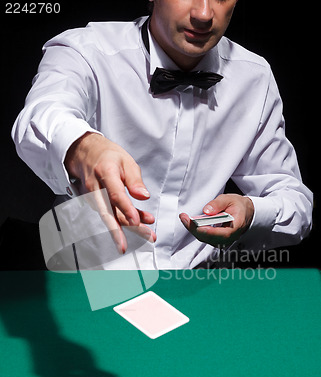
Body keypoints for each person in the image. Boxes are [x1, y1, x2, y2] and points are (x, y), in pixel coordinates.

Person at [12, 0, 313, 270]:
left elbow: (296, 204)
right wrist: (82, 145)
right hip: (87, 283)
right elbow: (41, 113)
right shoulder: (85, 51)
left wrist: (251, 211)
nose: (204, 14)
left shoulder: (255, 78)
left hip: (198, 289)